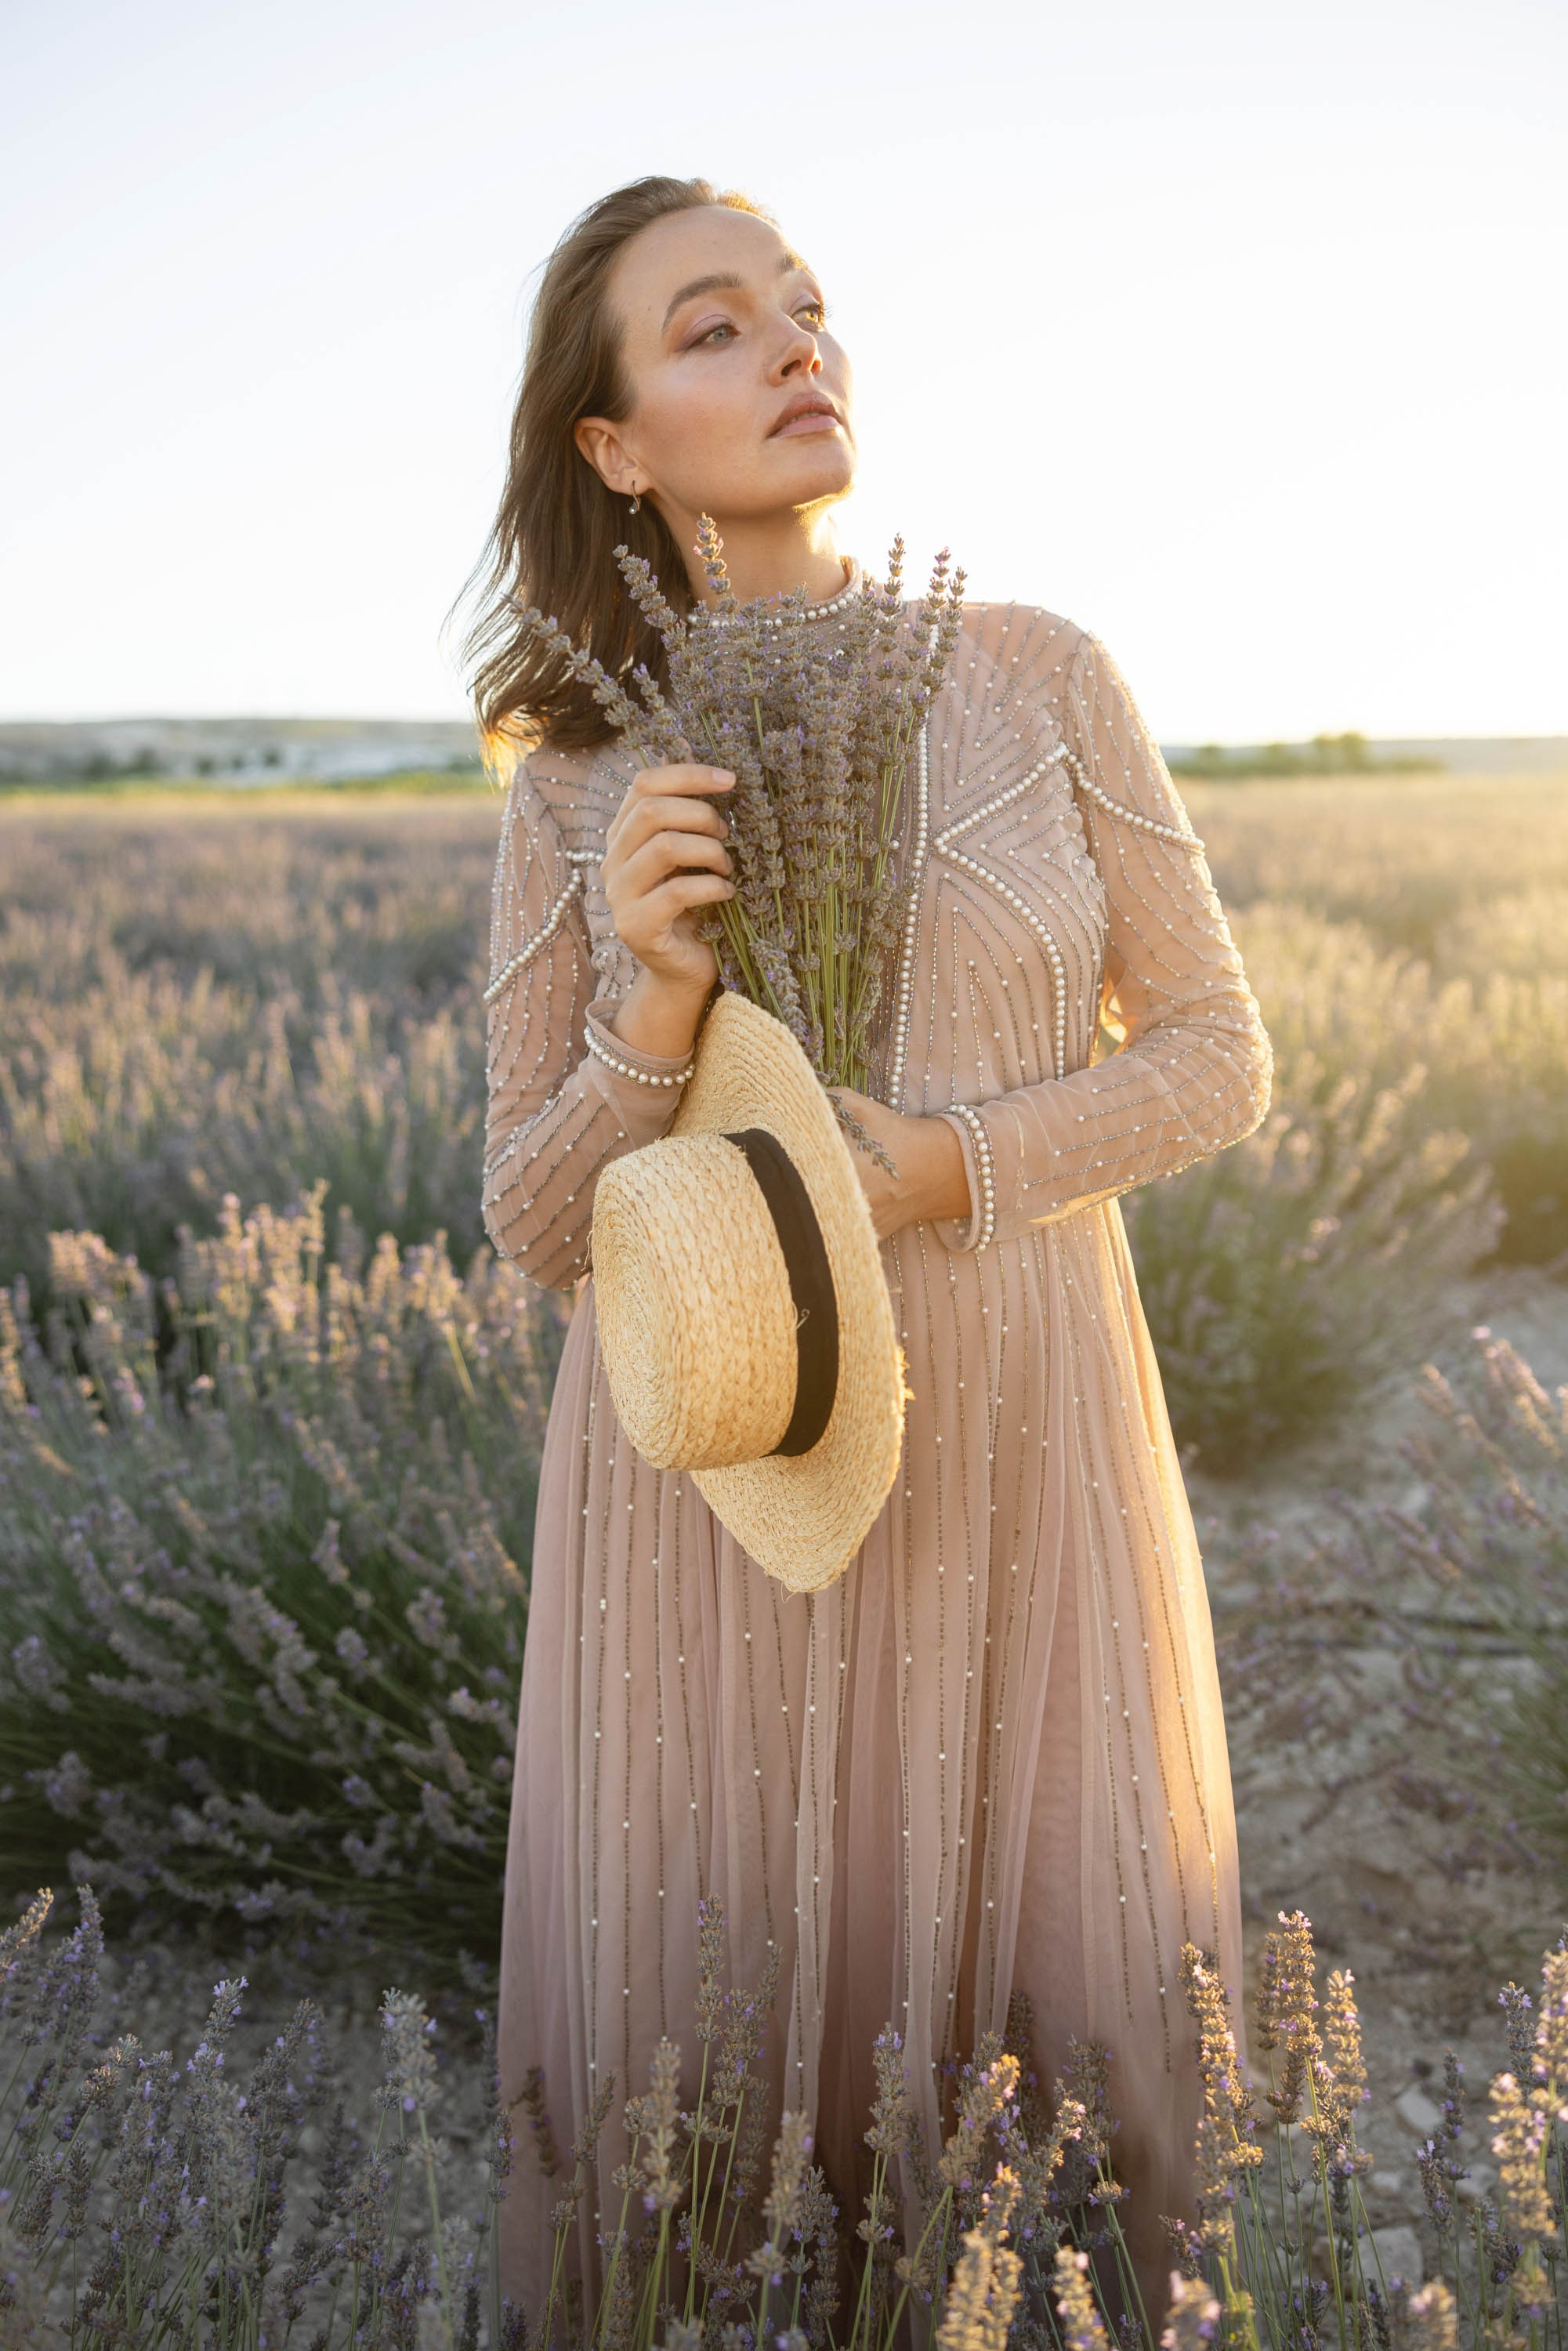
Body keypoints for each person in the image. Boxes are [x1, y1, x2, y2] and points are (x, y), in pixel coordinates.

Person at [468, 173, 1273, 2334]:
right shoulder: (575, 778)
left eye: (804, 308)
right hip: (719, 1474)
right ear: (616, 443)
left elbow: (1215, 1060)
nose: (792, 346)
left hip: (1019, 1423)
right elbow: (543, 1225)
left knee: (1050, 2073)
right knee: (719, 2093)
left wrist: (942, 1168)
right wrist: (646, 1000)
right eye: (711, 326)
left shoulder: (1042, 676)